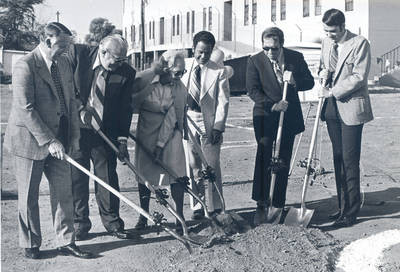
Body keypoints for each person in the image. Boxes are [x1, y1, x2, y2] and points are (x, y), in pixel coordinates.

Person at [4, 22, 93, 259]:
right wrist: (48, 141)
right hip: (30, 141)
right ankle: (31, 243)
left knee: (64, 193)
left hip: (60, 140)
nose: (66, 51)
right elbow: (26, 108)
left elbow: (71, 102)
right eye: (63, 45)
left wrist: (74, 136)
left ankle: (66, 241)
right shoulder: (25, 65)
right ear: (48, 40)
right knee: (29, 196)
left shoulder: (63, 63)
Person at [68, 34, 136, 240]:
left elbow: (125, 108)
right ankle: (79, 224)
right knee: (77, 178)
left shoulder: (126, 72)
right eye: (116, 59)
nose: (119, 65)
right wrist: (80, 108)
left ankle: (113, 222)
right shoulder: (78, 55)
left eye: (123, 60)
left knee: (107, 176)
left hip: (105, 132)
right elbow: (65, 85)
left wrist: (122, 140)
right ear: (102, 51)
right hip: (77, 129)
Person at [246, 27, 315, 225]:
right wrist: (273, 104)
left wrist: (295, 82)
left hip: (289, 116)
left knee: (283, 158)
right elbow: (252, 90)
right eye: (265, 48)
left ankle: (278, 203)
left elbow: (309, 82)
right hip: (265, 115)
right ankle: (261, 202)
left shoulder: (295, 58)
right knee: (264, 155)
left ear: (281, 45)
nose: (269, 53)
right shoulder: (255, 61)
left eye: (274, 49)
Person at [318, 9, 373, 228]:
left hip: (350, 108)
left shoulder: (360, 43)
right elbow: (325, 67)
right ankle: (341, 207)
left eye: (332, 31)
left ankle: (351, 211)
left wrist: (333, 91)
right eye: (326, 30)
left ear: (342, 27)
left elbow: (359, 77)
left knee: (350, 161)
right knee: (338, 158)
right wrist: (321, 72)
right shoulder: (326, 43)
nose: (329, 34)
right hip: (331, 109)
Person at [133, 50, 187, 233]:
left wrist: (160, 145)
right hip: (146, 131)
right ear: (165, 68)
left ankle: (179, 217)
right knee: (143, 173)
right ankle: (144, 215)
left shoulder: (180, 89)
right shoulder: (145, 80)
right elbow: (132, 103)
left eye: (183, 72)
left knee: (176, 172)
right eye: (177, 72)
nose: (180, 76)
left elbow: (172, 118)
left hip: (170, 133)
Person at [181, 31, 230, 220]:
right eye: (199, 52)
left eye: (207, 53)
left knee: (212, 165)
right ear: (193, 48)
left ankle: (217, 206)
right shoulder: (183, 67)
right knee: (193, 165)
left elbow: (223, 102)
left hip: (208, 122)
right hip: (188, 120)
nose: (203, 56)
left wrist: (218, 127)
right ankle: (197, 205)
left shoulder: (219, 71)